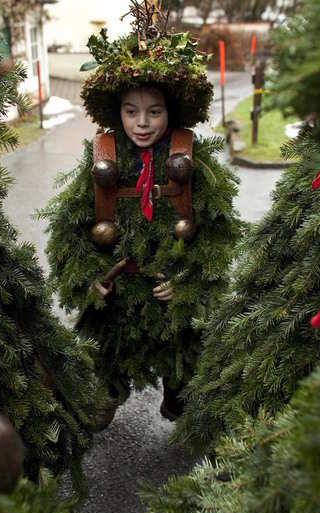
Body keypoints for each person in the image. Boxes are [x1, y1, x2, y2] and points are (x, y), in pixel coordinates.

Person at [41, 19, 241, 425]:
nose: (143, 123)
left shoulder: (190, 161)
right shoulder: (102, 160)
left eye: (154, 111)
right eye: (131, 112)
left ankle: (179, 396)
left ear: (171, 111)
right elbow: (68, 233)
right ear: (118, 113)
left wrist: (188, 284)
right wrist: (88, 279)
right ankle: (104, 393)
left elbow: (218, 236)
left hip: (171, 305)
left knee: (187, 388)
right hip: (117, 303)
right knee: (97, 394)